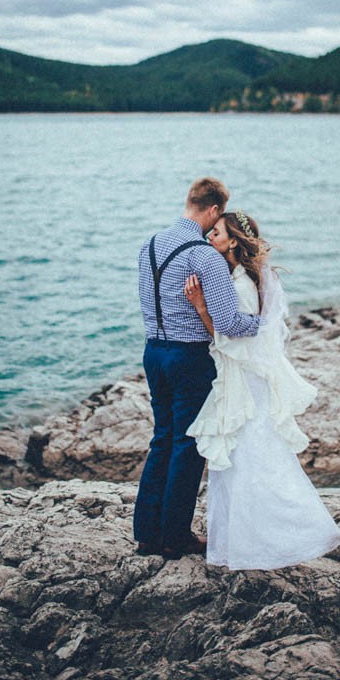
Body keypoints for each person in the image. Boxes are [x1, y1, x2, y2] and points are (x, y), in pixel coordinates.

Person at [185, 210, 340, 570]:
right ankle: (241, 544)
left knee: (246, 458)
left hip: (243, 381)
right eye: (210, 231)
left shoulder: (241, 284)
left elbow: (229, 337)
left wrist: (199, 307)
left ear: (233, 241)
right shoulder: (245, 278)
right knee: (244, 457)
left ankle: (270, 541)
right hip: (246, 379)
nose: (210, 237)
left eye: (217, 233)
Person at [134, 178, 261, 560]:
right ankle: (175, 537)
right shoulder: (204, 256)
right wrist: (263, 324)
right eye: (218, 215)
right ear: (212, 211)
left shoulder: (149, 245)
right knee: (189, 445)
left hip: (153, 352)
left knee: (162, 439)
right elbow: (229, 322)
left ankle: (146, 535)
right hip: (188, 357)